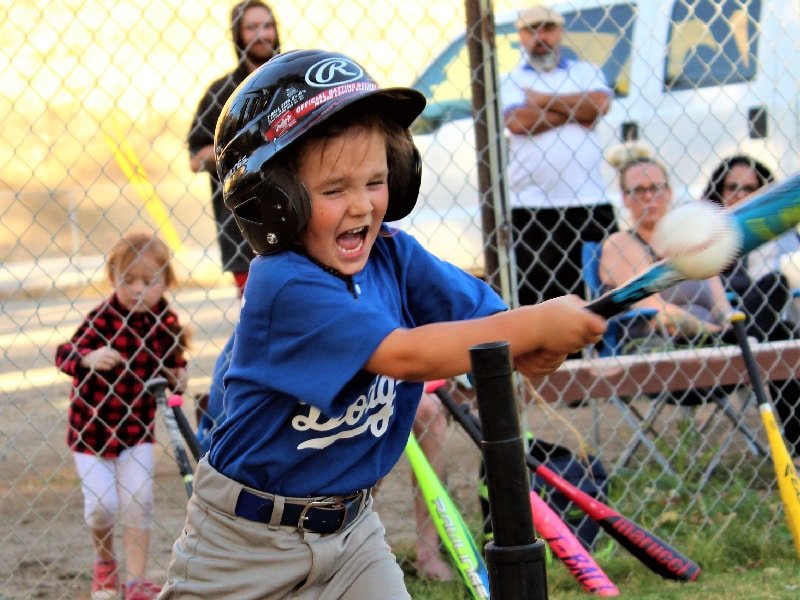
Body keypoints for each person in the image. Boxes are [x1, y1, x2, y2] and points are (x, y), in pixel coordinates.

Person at [159, 49, 606, 599]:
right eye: (334, 190)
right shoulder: (283, 285)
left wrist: (530, 345)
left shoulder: (395, 255)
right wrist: (534, 328)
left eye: (376, 180)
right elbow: (406, 355)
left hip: (351, 536)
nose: (362, 206)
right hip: (243, 545)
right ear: (276, 201)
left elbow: (490, 322)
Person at [55, 232, 189, 600]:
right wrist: (88, 358)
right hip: (91, 433)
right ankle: (104, 559)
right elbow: (64, 353)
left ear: (166, 282)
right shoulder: (103, 317)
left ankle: (136, 582)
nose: (137, 290)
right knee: (102, 507)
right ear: (113, 279)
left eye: (149, 281)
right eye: (127, 280)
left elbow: (174, 365)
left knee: (139, 501)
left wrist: (178, 377)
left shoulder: (166, 322)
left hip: (136, 430)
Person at [501, 5, 617, 307]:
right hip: (533, 207)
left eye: (548, 28)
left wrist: (541, 100)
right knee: (543, 300)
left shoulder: (586, 71)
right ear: (520, 36)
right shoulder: (510, 79)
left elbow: (599, 105)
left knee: (607, 293)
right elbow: (518, 122)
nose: (540, 37)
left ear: (560, 32)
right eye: (531, 30)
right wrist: (577, 111)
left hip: (589, 199)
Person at [600, 143, 735, 402]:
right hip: (659, 354)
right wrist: (717, 334)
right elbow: (655, 310)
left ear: (670, 192)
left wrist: (730, 323)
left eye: (656, 188)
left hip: (717, 352)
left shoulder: (691, 243)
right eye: (639, 190)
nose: (649, 197)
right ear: (625, 197)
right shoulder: (620, 244)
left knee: (776, 324)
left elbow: (722, 305)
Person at [702, 155, 800, 460]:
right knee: (781, 327)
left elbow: (791, 272)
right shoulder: (704, 233)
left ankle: (798, 444)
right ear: (718, 192)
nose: (739, 195)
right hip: (722, 325)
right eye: (731, 187)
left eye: (749, 188)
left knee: (780, 323)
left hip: (760, 321)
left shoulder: (775, 233)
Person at [187, 0, 281, 296]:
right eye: (251, 28)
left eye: (267, 26)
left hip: (301, 216)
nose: (261, 35)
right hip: (243, 227)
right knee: (258, 310)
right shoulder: (221, 93)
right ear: (237, 34)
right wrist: (243, 150)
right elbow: (195, 158)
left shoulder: (292, 79)